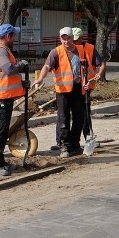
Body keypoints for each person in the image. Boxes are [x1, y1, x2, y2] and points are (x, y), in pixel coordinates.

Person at [0, 23, 28, 177]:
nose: (15, 38)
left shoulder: (1, 50)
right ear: (8, 36)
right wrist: (21, 65)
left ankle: (0, 161)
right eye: (14, 35)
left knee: (2, 132)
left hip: (2, 98)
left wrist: (22, 84)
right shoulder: (0, 51)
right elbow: (8, 70)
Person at [35, 27, 86, 157]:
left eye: (68, 38)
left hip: (78, 89)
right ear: (60, 39)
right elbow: (47, 66)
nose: (66, 41)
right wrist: (40, 78)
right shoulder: (55, 52)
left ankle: (75, 145)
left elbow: (88, 66)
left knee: (79, 118)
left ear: (72, 38)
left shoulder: (80, 51)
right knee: (63, 119)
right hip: (62, 91)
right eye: (64, 39)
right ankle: (64, 146)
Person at [72, 27, 105, 140]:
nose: (74, 42)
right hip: (70, 86)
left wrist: (99, 74)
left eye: (76, 40)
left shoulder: (90, 49)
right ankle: (65, 140)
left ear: (82, 38)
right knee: (68, 113)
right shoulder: (68, 49)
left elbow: (101, 64)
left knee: (85, 111)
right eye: (73, 39)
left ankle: (88, 135)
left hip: (85, 86)